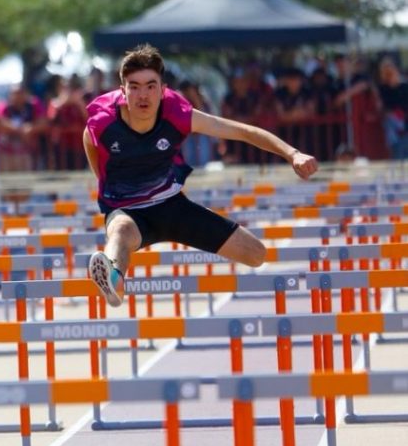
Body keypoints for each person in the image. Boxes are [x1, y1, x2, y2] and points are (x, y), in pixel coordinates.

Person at [82, 45, 319, 307]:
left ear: (162, 90)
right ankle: (113, 278)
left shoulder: (177, 114)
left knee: (256, 255)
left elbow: (242, 131)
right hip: (128, 210)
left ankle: (113, 273)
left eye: (151, 86)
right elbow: (90, 142)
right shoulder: (104, 122)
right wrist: (107, 185)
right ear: (122, 91)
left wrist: (292, 153)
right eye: (134, 86)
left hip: (173, 206)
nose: (143, 95)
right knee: (120, 231)